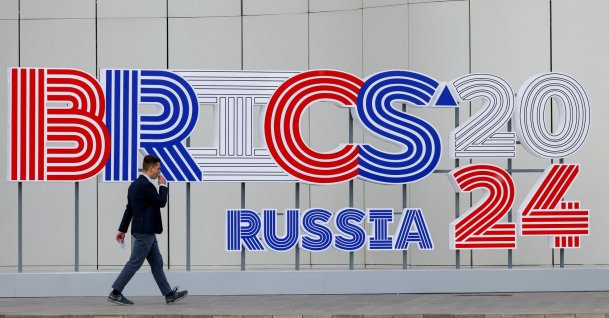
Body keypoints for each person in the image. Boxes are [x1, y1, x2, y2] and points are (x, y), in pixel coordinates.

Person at [107, 155, 188, 305]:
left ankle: (169, 294)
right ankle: (115, 292)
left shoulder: (134, 185)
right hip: (145, 232)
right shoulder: (146, 186)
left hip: (146, 232)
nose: (159, 171)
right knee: (135, 262)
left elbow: (129, 210)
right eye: (158, 168)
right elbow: (161, 202)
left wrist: (122, 229)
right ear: (150, 168)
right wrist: (163, 186)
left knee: (157, 263)